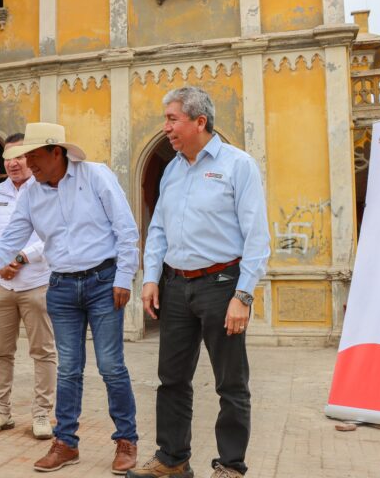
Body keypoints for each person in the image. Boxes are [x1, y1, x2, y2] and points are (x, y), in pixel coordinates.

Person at [0, 122, 140, 475]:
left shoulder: (96, 176)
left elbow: (125, 228)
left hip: (103, 281)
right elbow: (7, 243)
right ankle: (66, 443)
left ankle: (126, 440)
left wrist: (124, 276)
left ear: (57, 152)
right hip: (62, 286)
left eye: (33, 156)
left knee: (111, 366)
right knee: (68, 369)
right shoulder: (33, 195)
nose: (28, 164)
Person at [128, 87, 270, 478]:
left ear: (199, 122)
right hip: (175, 287)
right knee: (171, 379)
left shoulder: (238, 165)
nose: (166, 128)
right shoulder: (173, 169)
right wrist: (152, 278)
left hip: (222, 286)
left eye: (172, 119)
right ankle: (172, 459)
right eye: (166, 119)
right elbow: (158, 229)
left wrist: (243, 295)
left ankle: (231, 466)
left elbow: (257, 235)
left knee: (230, 382)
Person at [0, 133, 57, 440]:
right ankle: (0, 412)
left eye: (18, 157)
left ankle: (41, 415)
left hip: (36, 282)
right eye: (7, 158)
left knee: (43, 352)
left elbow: (51, 235)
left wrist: (21, 258)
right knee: (0, 351)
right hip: (0, 285)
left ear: (30, 158)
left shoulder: (47, 190)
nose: (12, 163)